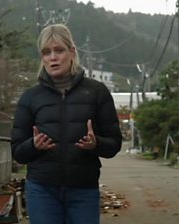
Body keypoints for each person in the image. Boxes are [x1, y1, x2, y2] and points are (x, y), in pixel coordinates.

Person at [11, 24, 122, 224]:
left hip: (84, 189)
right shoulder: (30, 97)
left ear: (72, 52)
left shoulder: (97, 92)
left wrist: (95, 143)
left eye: (59, 50)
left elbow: (114, 144)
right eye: (46, 52)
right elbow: (17, 151)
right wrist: (33, 145)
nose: (52, 57)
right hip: (42, 190)